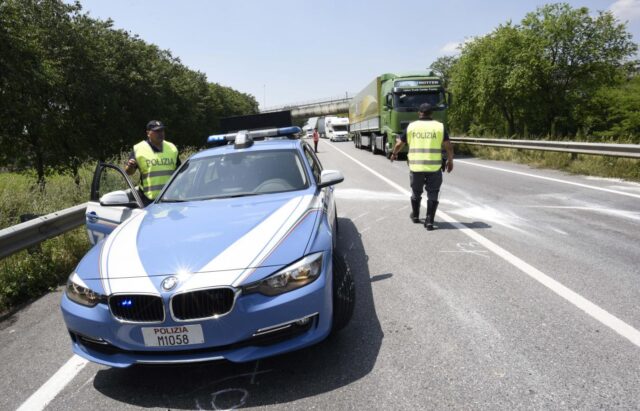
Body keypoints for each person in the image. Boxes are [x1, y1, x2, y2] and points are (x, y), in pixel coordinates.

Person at [390, 103, 454, 231]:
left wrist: (394, 154)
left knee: (416, 192)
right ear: (431, 113)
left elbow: (399, 144)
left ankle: (415, 216)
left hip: (416, 167)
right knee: (433, 192)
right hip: (434, 167)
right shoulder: (439, 127)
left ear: (419, 113)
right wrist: (450, 161)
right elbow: (448, 146)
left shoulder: (411, 127)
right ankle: (430, 221)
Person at [125, 120, 181, 204]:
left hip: (171, 197)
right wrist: (130, 166)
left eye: (162, 130)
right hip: (148, 199)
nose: (160, 133)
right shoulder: (139, 148)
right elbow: (129, 172)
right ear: (148, 133)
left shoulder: (172, 147)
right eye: (156, 131)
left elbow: (180, 170)